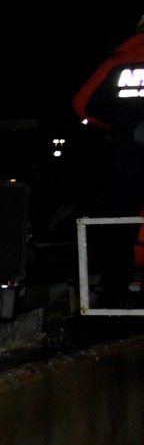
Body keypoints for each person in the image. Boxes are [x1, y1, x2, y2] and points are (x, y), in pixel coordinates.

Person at [73, 15, 144, 300]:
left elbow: (82, 105)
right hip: (128, 149)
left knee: (122, 221)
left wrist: (115, 125)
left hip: (127, 155)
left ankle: (115, 289)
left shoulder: (116, 61)